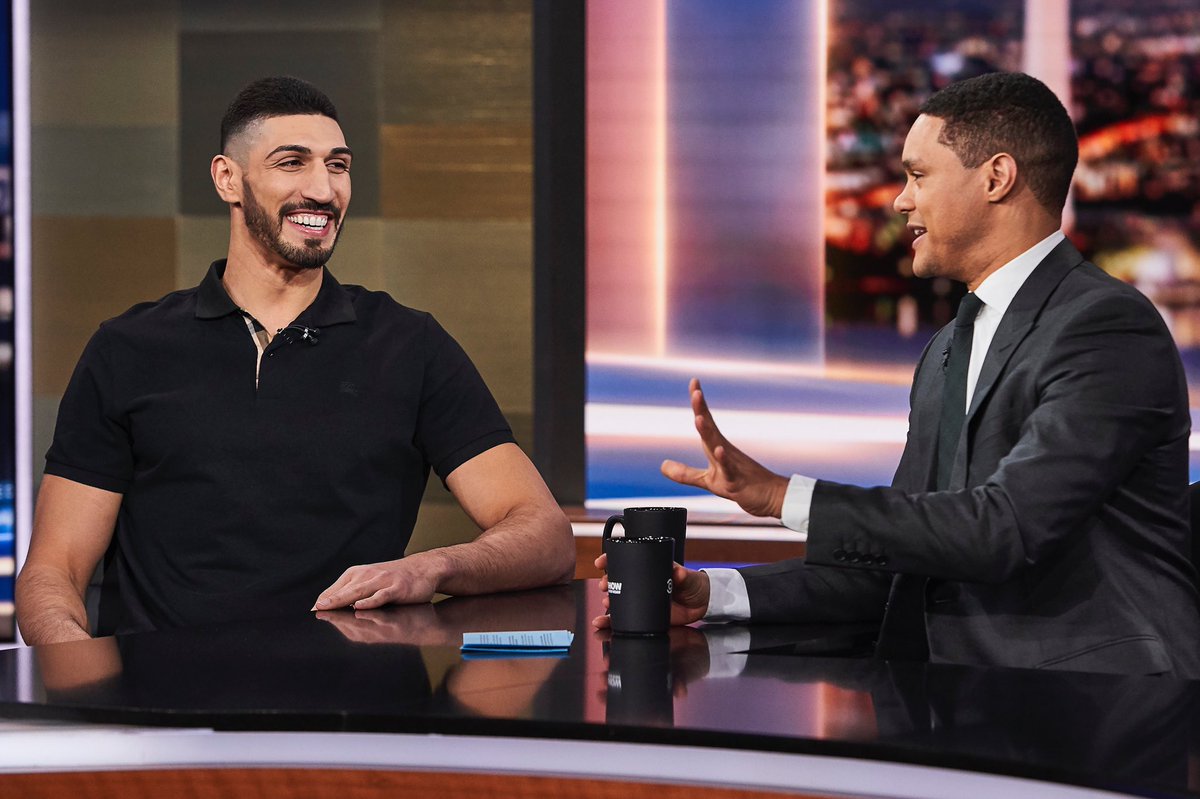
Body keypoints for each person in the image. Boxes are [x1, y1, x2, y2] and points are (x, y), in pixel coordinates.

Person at [597, 71, 1200, 676]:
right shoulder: (947, 348)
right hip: (950, 696)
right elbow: (898, 559)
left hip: (1094, 700)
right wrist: (714, 594)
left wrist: (783, 496)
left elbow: (1005, 529)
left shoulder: (1107, 328)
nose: (900, 201)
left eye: (918, 175)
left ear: (996, 178)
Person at [16, 76, 575, 645]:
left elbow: (545, 535)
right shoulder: (128, 348)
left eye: (338, 165)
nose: (323, 190)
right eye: (292, 163)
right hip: (163, 696)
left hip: (354, 696)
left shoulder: (408, 344)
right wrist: (80, 674)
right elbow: (53, 573)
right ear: (227, 179)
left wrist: (430, 568)